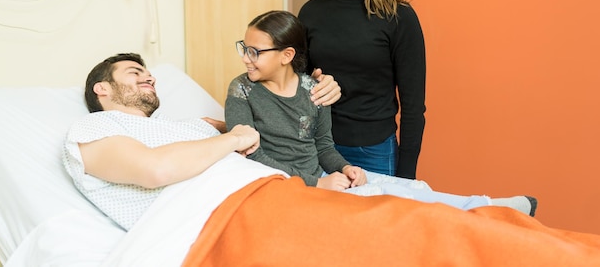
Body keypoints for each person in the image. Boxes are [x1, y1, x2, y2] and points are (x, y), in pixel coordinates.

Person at [62, 53, 600, 267]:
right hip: (227, 222)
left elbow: (269, 128)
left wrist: (320, 93)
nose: (148, 76)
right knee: (413, 234)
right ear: (103, 90)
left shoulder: (190, 126)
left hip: (280, 195)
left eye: (147, 70)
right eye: (134, 73)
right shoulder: (93, 129)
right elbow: (156, 172)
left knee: (417, 218)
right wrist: (231, 140)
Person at [225, 10, 536, 215]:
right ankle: (487, 209)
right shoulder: (242, 91)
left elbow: (323, 147)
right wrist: (315, 184)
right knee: (393, 203)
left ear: (286, 55)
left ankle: (488, 208)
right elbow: (253, 156)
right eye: (245, 48)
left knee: (411, 189)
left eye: (255, 52)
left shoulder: (314, 90)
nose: (246, 59)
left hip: (323, 178)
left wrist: (346, 168)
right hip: (287, 188)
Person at [298, 0, 425, 179]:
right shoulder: (312, 12)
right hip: (318, 146)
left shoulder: (398, 18)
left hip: (373, 152)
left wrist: (405, 180)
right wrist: (311, 81)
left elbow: (414, 109)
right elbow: (293, 84)